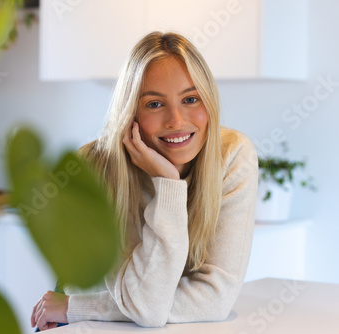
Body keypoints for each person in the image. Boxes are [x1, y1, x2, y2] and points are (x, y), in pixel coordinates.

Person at [31, 31, 258, 331]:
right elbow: (144, 307)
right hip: (83, 326)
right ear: (131, 112)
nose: (176, 120)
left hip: (82, 311)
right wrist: (169, 184)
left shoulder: (232, 155)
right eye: (154, 104)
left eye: (191, 99)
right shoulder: (95, 167)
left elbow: (215, 299)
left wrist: (78, 308)